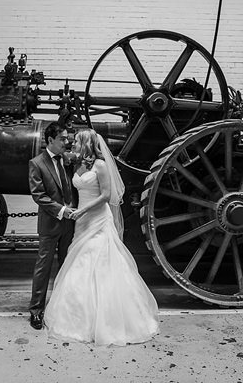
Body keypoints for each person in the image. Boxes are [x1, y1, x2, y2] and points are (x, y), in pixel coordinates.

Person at [43, 128, 159, 346]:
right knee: (79, 261)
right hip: (81, 219)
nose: (72, 144)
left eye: (76, 141)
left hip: (96, 217)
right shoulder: (78, 164)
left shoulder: (101, 166)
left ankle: (107, 320)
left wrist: (83, 210)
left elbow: (106, 196)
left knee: (99, 259)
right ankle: (77, 315)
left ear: (87, 143)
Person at [28, 122, 77, 330]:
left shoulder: (67, 160)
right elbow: (38, 195)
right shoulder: (36, 163)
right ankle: (36, 311)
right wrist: (61, 210)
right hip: (50, 223)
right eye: (62, 139)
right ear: (50, 140)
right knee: (44, 267)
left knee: (67, 266)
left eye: (67, 138)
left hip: (69, 224)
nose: (67, 142)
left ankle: (64, 308)